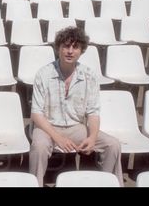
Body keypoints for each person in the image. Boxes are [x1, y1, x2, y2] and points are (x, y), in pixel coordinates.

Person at [29, 26, 124, 187]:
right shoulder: (43, 74)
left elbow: (93, 112)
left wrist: (92, 137)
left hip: (75, 127)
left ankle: (107, 183)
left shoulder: (89, 76)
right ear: (58, 48)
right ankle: (34, 184)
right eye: (66, 46)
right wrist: (58, 138)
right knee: (39, 146)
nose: (70, 51)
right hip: (47, 127)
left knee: (113, 145)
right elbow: (36, 114)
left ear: (81, 50)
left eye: (75, 47)